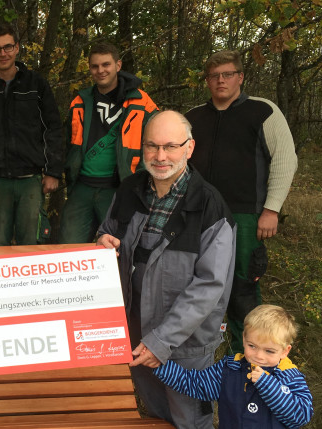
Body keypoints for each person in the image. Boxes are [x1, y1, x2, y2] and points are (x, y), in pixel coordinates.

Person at [96, 110, 235, 428]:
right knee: (157, 415)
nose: (160, 156)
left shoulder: (209, 206)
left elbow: (210, 286)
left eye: (171, 146)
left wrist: (162, 341)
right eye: (152, 146)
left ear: (189, 148)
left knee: (189, 420)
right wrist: (102, 241)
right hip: (135, 333)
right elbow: (107, 232)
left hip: (184, 345)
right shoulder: (129, 189)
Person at [186, 50, 298, 355]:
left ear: (240, 77)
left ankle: (248, 356)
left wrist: (272, 209)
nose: (221, 81)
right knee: (195, 281)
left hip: (245, 215)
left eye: (228, 74)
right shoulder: (194, 118)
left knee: (243, 287)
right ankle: (195, 351)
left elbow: (286, 160)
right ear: (207, 80)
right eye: (214, 76)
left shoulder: (263, 111)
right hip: (198, 213)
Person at [0, 22, 64, 246]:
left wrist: (53, 171)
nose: (3, 53)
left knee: (32, 244)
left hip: (31, 180)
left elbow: (53, 129)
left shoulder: (37, 85)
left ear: (17, 48)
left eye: (8, 47)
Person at [60, 42, 158, 243]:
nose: (100, 70)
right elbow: (66, 143)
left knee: (118, 249)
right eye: (95, 66)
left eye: (106, 64)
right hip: (82, 187)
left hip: (120, 188)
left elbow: (157, 142)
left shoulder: (141, 101)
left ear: (118, 65)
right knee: (70, 248)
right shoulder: (80, 101)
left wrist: (141, 182)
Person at [154, 304, 314, 428]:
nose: (259, 356)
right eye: (252, 346)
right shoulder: (230, 368)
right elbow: (196, 384)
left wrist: (268, 385)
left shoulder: (289, 376)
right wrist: (160, 365)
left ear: (285, 351)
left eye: (269, 351)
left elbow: (301, 416)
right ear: (244, 339)